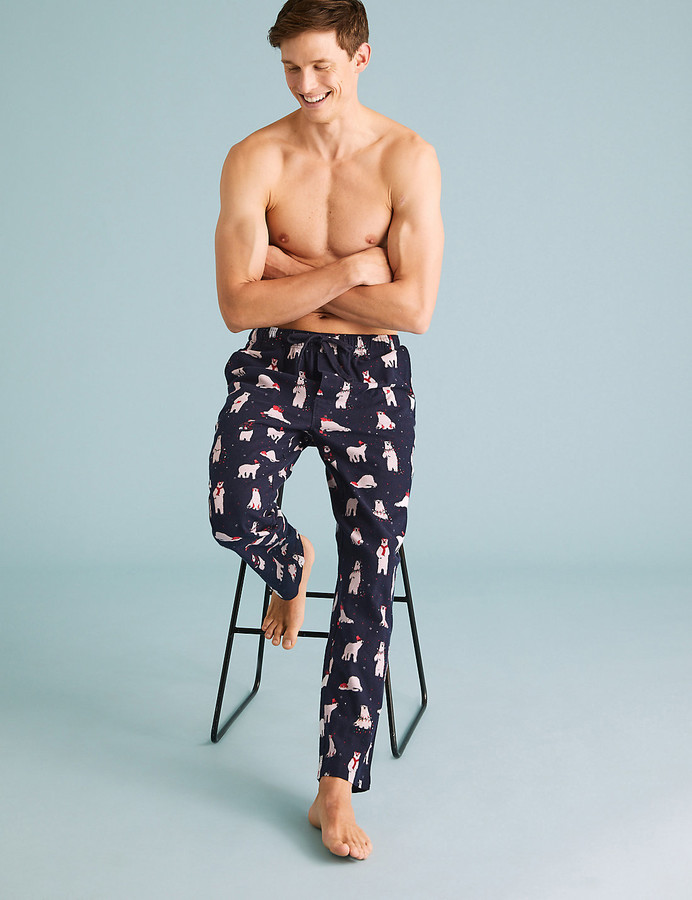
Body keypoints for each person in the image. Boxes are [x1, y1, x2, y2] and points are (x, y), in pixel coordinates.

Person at [209, 0, 443, 860]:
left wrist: (292, 273)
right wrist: (349, 268)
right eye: (290, 68)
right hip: (274, 363)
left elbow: (413, 310)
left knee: (370, 570)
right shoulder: (255, 158)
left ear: (361, 58)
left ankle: (334, 788)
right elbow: (239, 305)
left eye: (320, 66)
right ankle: (289, 562)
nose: (304, 84)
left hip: (371, 375)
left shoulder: (406, 158)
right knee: (234, 509)